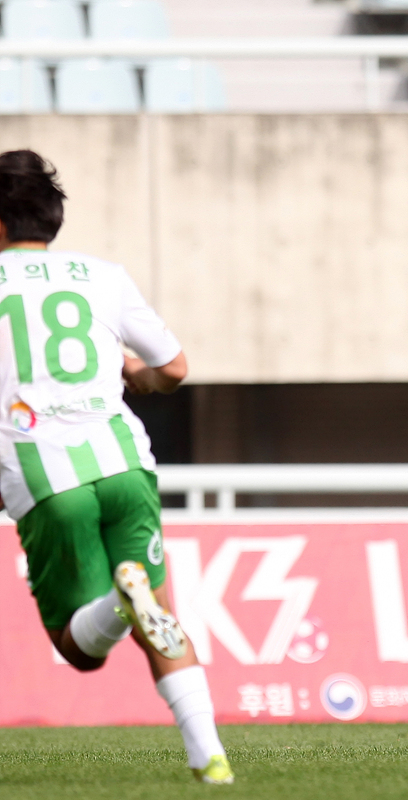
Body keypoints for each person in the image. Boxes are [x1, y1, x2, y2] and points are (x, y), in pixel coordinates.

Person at [0, 150, 233, 784]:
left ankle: (117, 600)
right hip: (125, 460)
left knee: (79, 650)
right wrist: (136, 374)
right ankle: (209, 757)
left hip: (48, 476)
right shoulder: (101, 276)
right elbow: (174, 368)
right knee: (160, 611)